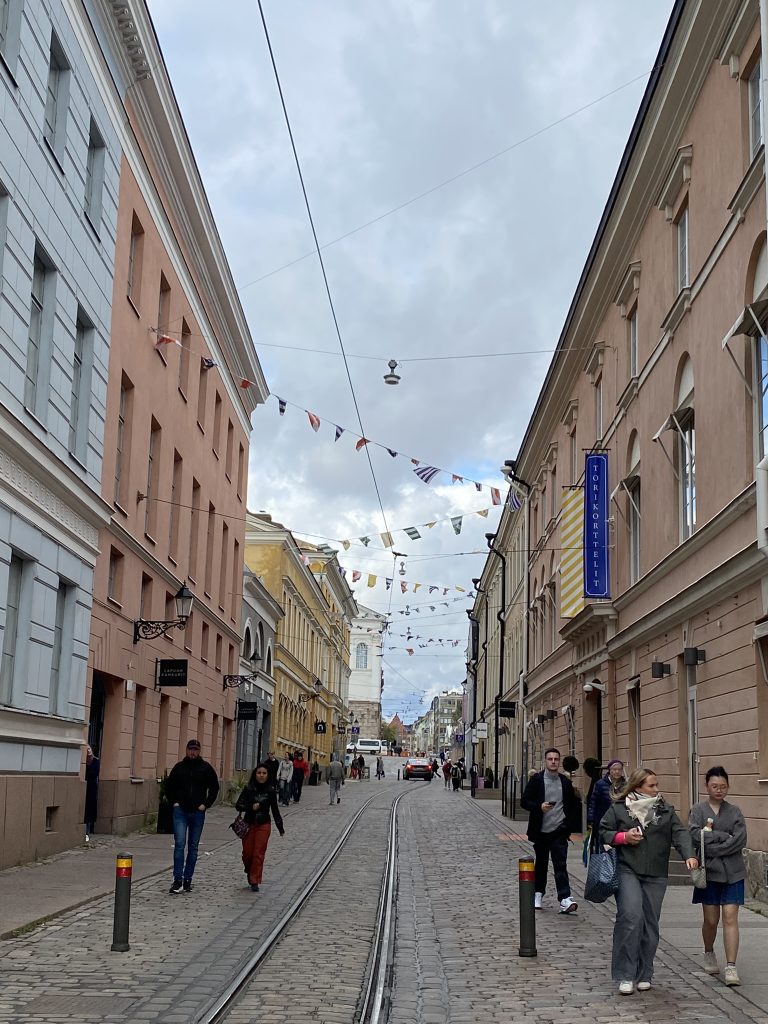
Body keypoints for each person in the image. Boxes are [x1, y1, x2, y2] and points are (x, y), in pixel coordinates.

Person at [600, 767, 697, 995]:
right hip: (627, 869)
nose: (656, 789)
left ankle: (645, 973)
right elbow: (603, 832)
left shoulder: (664, 810)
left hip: (656, 872)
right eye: (651, 785)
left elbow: (680, 833)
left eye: (656, 785)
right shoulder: (619, 809)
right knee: (631, 917)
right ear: (637, 787)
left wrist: (689, 855)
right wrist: (623, 837)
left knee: (650, 924)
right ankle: (626, 974)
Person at [688, 765, 747, 987]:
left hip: (733, 871)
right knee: (711, 920)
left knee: (731, 917)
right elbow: (695, 836)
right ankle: (709, 951)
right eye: (715, 786)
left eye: (723, 786)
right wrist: (723, 837)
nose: (719, 790)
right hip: (709, 873)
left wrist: (714, 845)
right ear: (707, 786)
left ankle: (731, 966)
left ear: (728, 787)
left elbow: (740, 839)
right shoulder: (698, 810)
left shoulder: (735, 811)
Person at [521, 747, 581, 914]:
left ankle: (564, 898)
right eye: (550, 759)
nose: (553, 762)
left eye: (556, 759)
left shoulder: (565, 782)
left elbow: (572, 805)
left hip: (559, 830)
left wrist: (567, 826)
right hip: (540, 830)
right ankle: (538, 894)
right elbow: (524, 801)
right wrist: (539, 806)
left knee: (560, 864)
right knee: (541, 864)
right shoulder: (537, 780)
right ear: (545, 761)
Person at [165, 739, 219, 894]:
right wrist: (174, 802)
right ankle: (177, 880)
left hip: (197, 812)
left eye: (195, 749)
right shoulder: (179, 767)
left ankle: (188, 879)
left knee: (193, 847)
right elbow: (169, 787)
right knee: (180, 844)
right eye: (190, 749)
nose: (192, 752)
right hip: (180, 811)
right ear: (186, 750)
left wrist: (205, 804)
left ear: (199, 751)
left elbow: (214, 787)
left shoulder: (206, 768)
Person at [235, 763, 284, 891]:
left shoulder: (271, 791)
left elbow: (275, 810)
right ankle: (249, 869)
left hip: (263, 824)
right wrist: (250, 807)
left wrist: (280, 827)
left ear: (268, 775)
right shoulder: (248, 789)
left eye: (264, 773)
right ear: (255, 774)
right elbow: (238, 806)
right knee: (247, 853)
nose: (261, 775)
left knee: (258, 853)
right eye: (259, 773)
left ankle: (254, 880)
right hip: (249, 824)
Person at [588, 759, 626, 848]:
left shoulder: (625, 785)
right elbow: (593, 802)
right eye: (614, 769)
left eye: (619, 769)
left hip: (620, 821)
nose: (617, 772)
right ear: (609, 770)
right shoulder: (600, 784)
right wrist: (591, 819)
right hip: (603, 819)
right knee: (603, 845)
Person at [84, 744, 100, 841]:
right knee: (84, 809)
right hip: (85, 786)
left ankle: (87, 832)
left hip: (92, 788)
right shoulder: (83, 762)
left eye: (89, 749)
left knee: (89, 810)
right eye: (86, 750)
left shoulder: (95, 761)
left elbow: (93, 774)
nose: (88, 751)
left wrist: (88, 768)